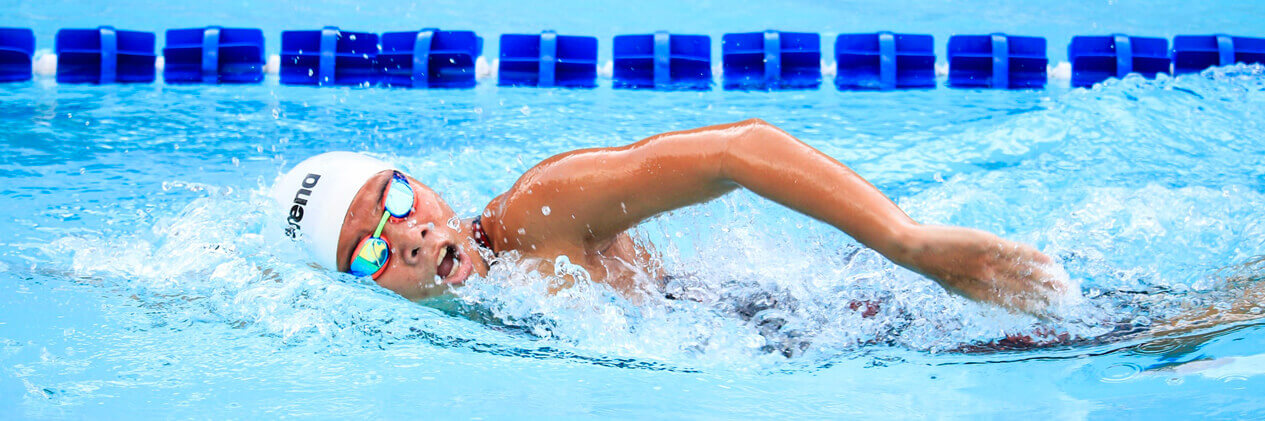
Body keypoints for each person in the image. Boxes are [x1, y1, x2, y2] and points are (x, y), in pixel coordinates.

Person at [273, 118, 1071, 316]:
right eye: (367, 249)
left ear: (430, 192)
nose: (407, 236)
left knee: (1115, 330)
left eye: (399, 201)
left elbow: (739, 149)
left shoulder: (536, 213)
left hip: (815, 322)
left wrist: (911, 245)